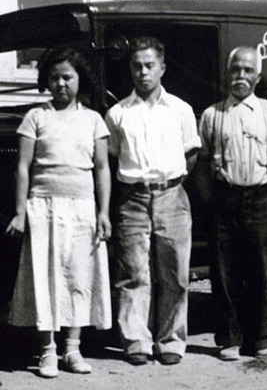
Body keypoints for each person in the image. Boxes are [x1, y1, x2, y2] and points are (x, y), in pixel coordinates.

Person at [196, 46, 267, 361]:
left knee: (259, 271)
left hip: (261, 198)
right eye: (236, 70)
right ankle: (228, 340)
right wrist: (210, 199)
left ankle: (258, 341)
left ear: (258, 77)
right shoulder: (212, 115)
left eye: (248, 71)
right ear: (227, 74)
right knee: (223, 271)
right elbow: (202, 161)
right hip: (224, 198)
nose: (241, 76)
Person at [6, 48, 112, 378]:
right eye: (54, 77)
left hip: (82, 209)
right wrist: (20, 212)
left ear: (80, 79)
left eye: (67, 76)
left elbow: (102, 168)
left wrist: (104, 211)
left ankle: (72, 349)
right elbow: (22, 168)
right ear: (46, 82)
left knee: (79, 277)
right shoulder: (36, 117)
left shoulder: (94, 119)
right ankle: (47, 351)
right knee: (46, 277)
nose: (61, 83)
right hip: (44, 208)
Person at [105, 37, 201, 366]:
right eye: (137, 66)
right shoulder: (117, 114)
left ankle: (171, 339)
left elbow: (191, 154)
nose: (143, 72)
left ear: (162, 68)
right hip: (132, 198)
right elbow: (113, 157)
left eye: (149, 65)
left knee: (175, 273)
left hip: (172, 196)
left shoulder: (181, 110)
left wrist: (169, 183)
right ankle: (136, 340)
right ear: (130, 69)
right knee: (133, 272)